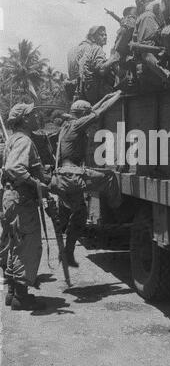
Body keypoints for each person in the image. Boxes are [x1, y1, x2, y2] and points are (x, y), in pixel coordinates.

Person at [51, 92, 122, 267]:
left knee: (80, 213)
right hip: (72, 176)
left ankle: (67, 251)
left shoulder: (68, 124)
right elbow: (98, 113)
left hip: (61, 178)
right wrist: (117, 97)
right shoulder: (77, 125)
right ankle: (118, 211)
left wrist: (106, 96)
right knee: (110, 177)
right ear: (82, 115)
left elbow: (92, 110)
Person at [1, 103, 49, 311]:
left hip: (11, 198)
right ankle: (21, 296)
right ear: (25, 119)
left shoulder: (13, 139)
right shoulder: (24, 140)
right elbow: (15, 167)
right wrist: (36, 183)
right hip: (22, 199)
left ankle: (12, 292)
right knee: (27, 246)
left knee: (15, 244)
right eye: (33, 114)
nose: (37, 117)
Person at [79, 26, 117, 104]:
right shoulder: (97, 49)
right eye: (101, 35)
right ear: (93, 38)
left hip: (88, 91)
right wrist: (113, 57)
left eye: (105, 35)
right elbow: (102, 70)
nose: (105, 37)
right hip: (97, 92)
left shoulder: (89, 50)